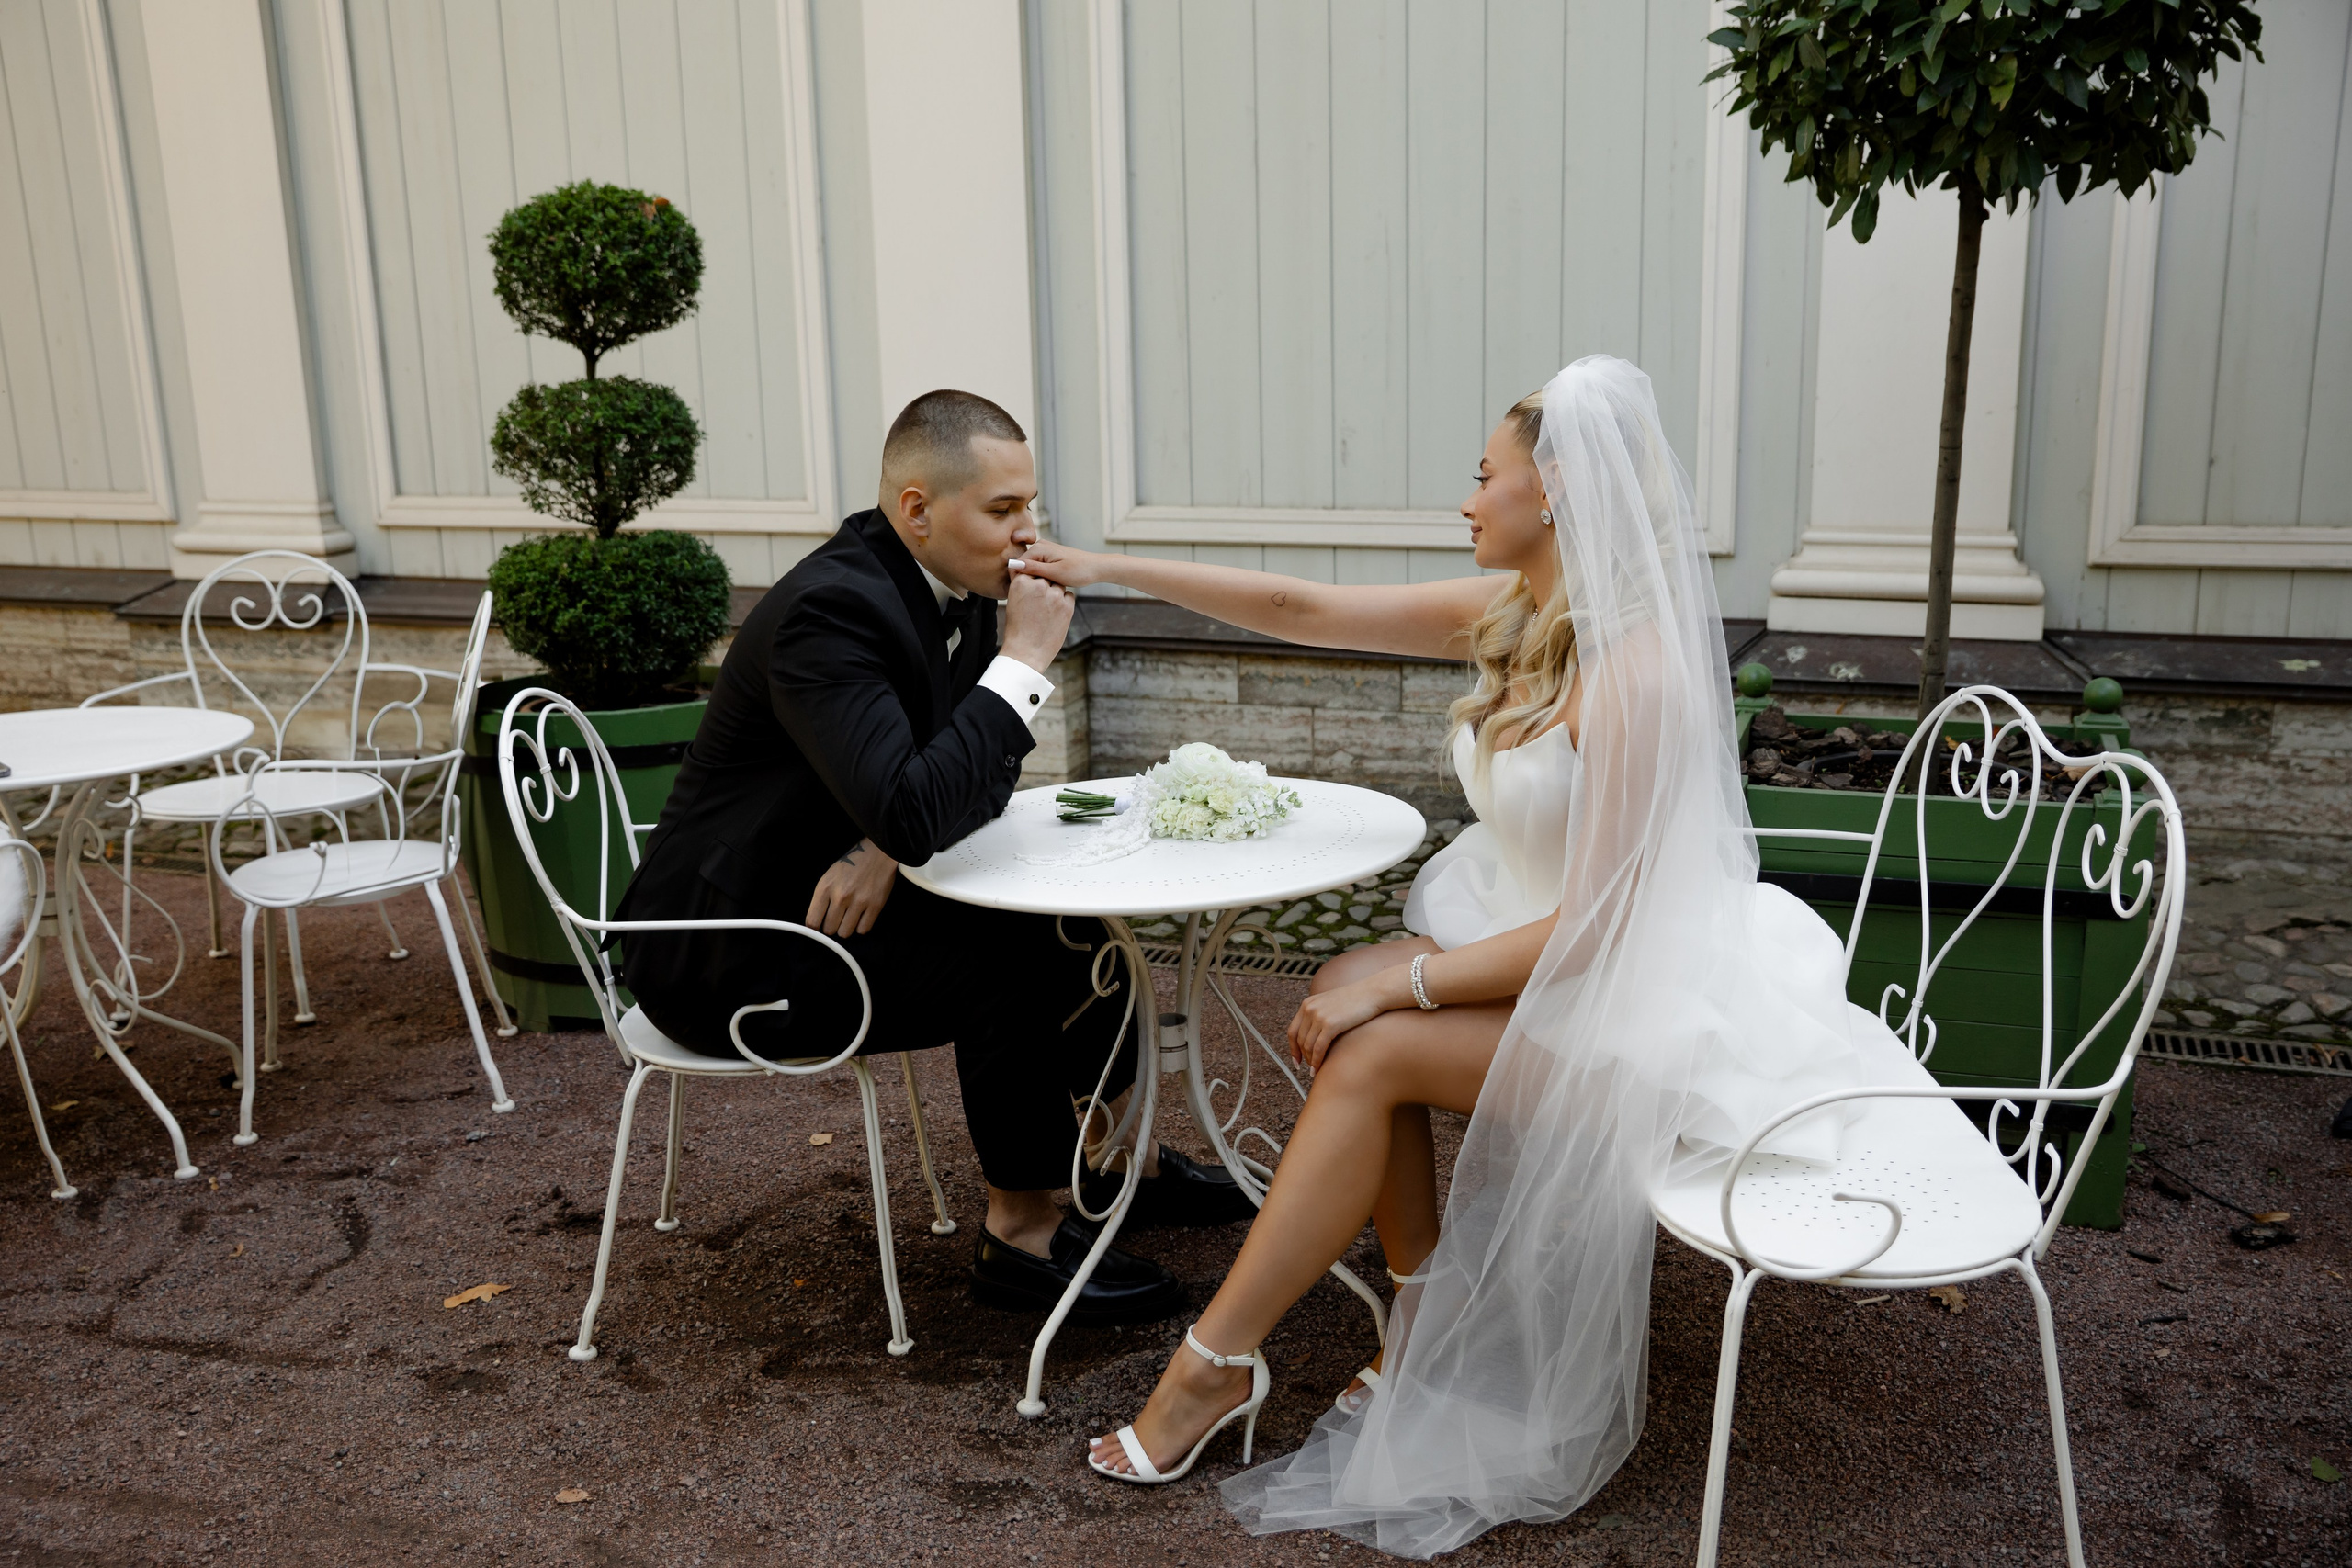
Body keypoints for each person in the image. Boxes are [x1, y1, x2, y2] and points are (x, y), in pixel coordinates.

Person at [1014, 357, 1939, 1553]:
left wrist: (1402, 984)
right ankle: (1417, 1323)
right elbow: (1302, 607)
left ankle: (1213, 1362)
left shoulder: (1636, 672)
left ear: (1553, 491)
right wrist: (1105, 567)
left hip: (1637, 1005)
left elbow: (1599, 927)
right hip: (1542, 950)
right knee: (1343, 987)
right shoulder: (1518, 615)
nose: (1467, 497)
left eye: (1483, 473)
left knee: (1368, 1039)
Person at [616, 389, 1250, 1330]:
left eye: (1028, 506)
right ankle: (1022, 1238)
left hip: (820, 894)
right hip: (724, 948)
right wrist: (1023, 668)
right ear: (917, 508)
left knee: (1076, 921)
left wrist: (880, 842)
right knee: (1000, 962)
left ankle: (1120, 1162)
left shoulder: (943, 589)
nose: (1027, 533)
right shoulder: (831, 610)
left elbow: (966, 785)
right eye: (1001, 511)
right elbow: (932, 801)